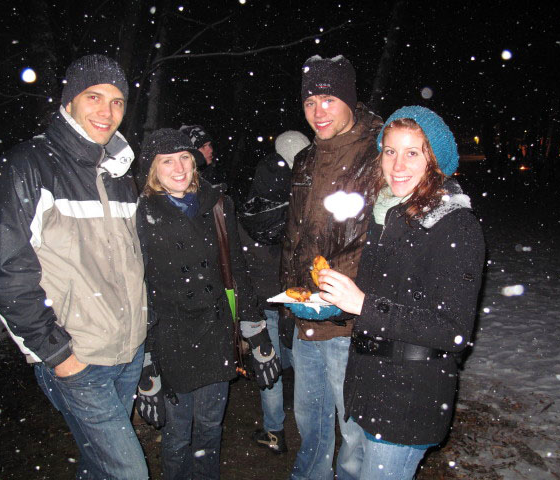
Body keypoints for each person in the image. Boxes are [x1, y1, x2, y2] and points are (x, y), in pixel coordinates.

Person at [0, 54, 149, 479]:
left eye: (117, 101)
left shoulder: (120, 173)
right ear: (68, 101)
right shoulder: (28, 165)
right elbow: (4, 269)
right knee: (129, 472)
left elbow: (131, 263)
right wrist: (56, 352)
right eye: (94, 97)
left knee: (98, 465)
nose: (106, 112)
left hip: (127, 351)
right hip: (77, 356)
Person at [317, 106, 486, 479]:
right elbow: (385, 299)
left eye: (413, 152)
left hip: (408, 397)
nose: (397, 164)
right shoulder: (387, 215)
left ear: (435, 161)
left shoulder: (455, 226)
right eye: (390, 151)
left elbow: (452, 330)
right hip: (367, 386)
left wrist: (363, 304)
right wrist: (339, 304)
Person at [135, 128, 281, 479]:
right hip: (171, 339)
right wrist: (147, 362)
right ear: (153, 169)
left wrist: (257, 332)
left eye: (185, 157)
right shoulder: (140, 214)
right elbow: (138, 290)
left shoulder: (216, 204)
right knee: (176, 436)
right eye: (167, 161)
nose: (179, 167)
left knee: (210, 429)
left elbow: (236, 271)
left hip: (215, 334)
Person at [280, 55, 383, 480]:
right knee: (310, 420)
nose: (317, 112)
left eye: (328, 100)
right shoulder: (305, 158)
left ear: (350, 101)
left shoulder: (379, 151)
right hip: (307, 313)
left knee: (355, 428)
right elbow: (299, 233)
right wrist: (290, 291)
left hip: (350, 322)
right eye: (309, 103)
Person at [238, 130, 310, 454]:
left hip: (263, 296)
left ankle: (274, 431)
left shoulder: (253, 196)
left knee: (269, 367)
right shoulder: (301, 198)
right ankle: (314, 432)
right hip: (294, 298)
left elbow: (242, 253)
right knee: (306, 364)